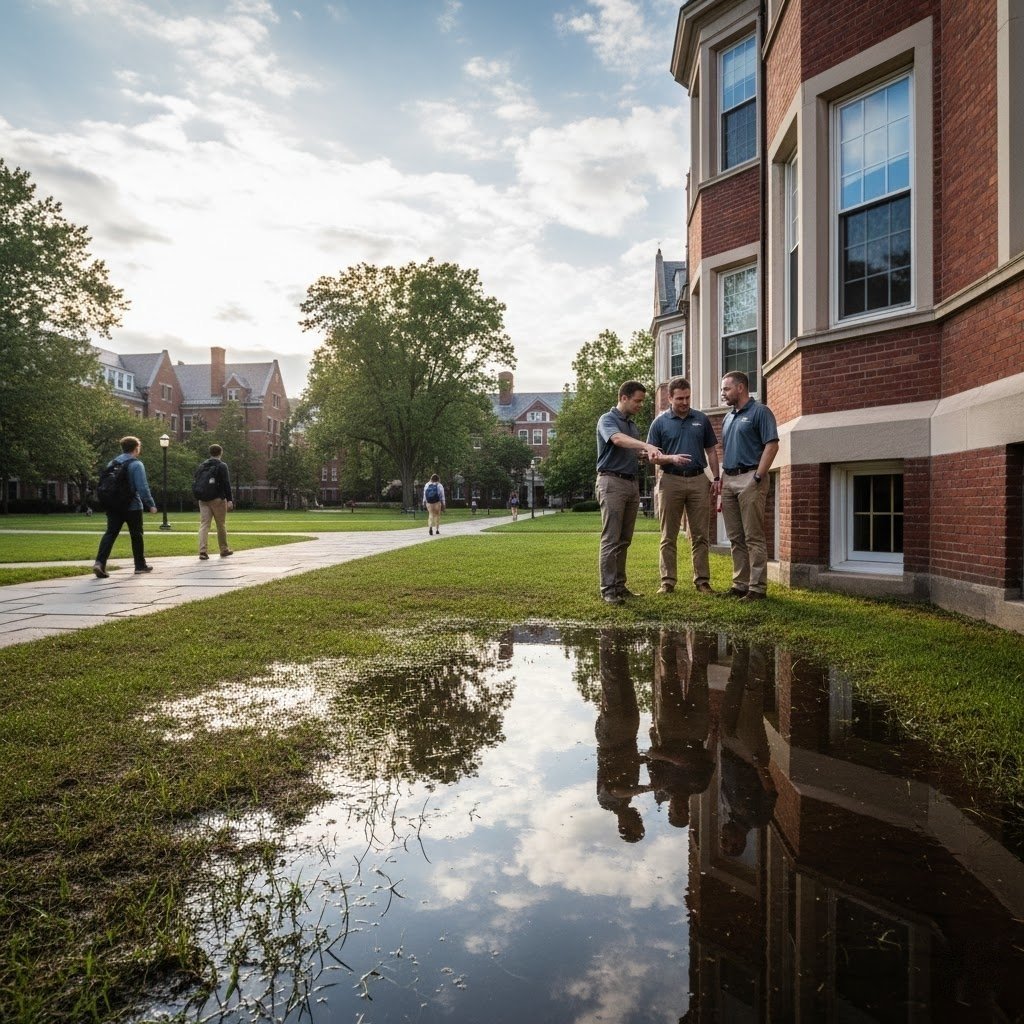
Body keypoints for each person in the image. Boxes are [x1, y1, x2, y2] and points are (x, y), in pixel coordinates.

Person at [595, 381, 668, 605]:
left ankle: (619, 585)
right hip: (611, 482)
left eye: (642, 401)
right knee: (611, 538)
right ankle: (608, 589)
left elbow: (635, 453)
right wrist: (645, 446)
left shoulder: (633, 426)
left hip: (630, 484)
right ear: (623, 397)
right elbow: (616, 439)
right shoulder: (607, 420)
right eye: (637, 400)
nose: (640, 405)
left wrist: (650, 455)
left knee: (624, 539)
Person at [647, 376, 721, 595]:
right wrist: (671, 459)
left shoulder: (701, 419)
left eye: (687, 397)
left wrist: (716, 478)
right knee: (668, 535)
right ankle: (667, 582)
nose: (684, 402)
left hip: (699, 480)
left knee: (700, 535)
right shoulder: (660, 422)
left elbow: (711, 452)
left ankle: (702, 581)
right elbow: (652, 457)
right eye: (680, 398)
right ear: (669, 398)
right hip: (670, 480)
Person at [720, 371, 779, 601]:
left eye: (726, 389)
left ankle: (757, 588)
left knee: (753, 536)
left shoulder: (760, 412)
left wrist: (757, 477)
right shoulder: (728, 417)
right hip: (729, 479)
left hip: (750, 477)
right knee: (735, 536)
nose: (723, 393)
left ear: (741, 388)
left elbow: (771, 445)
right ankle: (740, 584)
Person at [92, 435, 158, 578]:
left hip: (113, 505)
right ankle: (140, 565)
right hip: (132, 506)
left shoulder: (112, 463)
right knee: (136, 535)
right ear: (136, 448)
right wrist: (151, 504)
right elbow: (142, 487)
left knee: (110, 533)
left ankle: (99, 563)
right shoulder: (136, 464)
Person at [195, 444, 234, 560]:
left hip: (203, 499)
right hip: (217, 499)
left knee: (204, 525)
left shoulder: (202, 466)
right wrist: (230, 500)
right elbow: (226, 483)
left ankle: (202, 551)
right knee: (220, 524)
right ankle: (224, 549)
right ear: (220, 453)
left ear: (210, 453)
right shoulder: (222, 466)